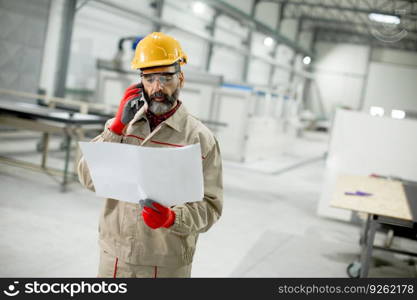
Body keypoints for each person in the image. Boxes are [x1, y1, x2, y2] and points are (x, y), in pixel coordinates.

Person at [77, 32, 223, 278]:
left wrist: (172, 218)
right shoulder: (121, 127)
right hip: (114, 256)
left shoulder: (200, 139)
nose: (157, 88)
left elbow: (210, 207)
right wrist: (115, 130)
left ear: (181, 79)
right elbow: (88, 178)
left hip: (166, 263)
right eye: (149, 78)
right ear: (139, 83)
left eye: (166, 77)